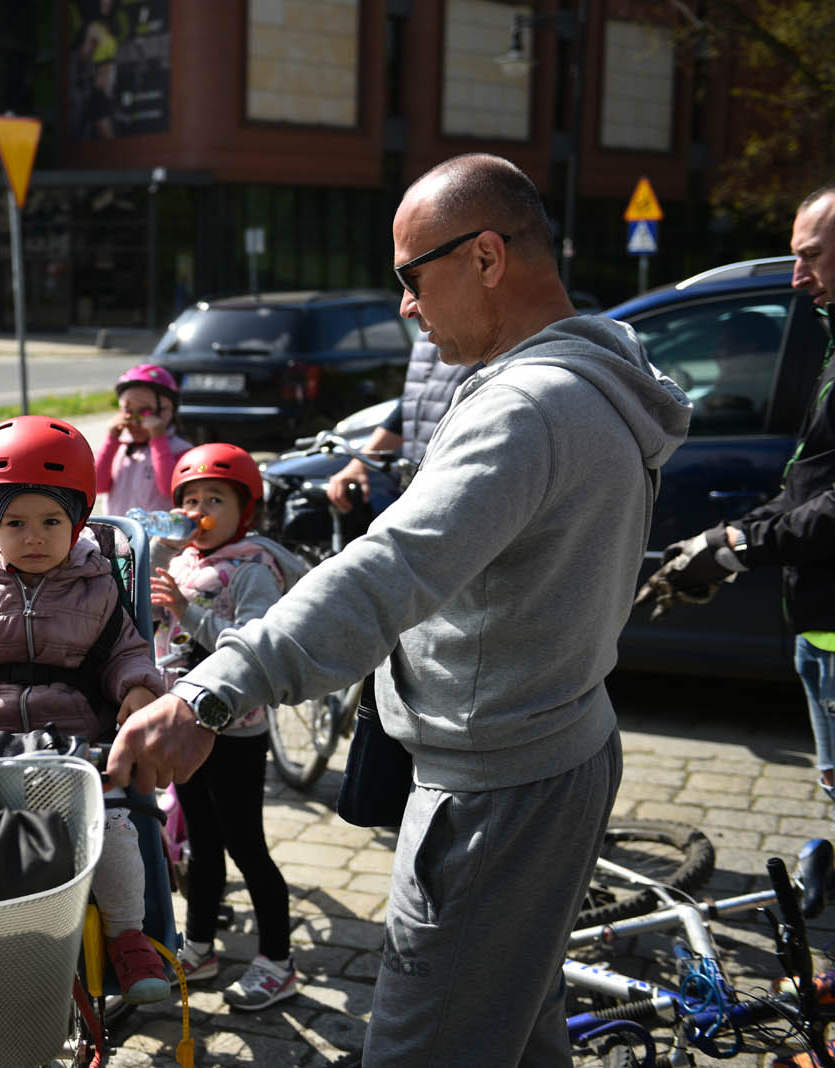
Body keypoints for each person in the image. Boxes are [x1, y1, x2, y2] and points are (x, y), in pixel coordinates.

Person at [107, 154, 692, 1065]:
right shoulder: (597, 373)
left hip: (495, 789)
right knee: (518, 1025)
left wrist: (213, 691)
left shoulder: (528, 408)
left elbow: (390, 569)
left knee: (422, 1044)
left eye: (413, 278)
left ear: (487, 257)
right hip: (562, 746)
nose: (409, 307)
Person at [0, 415, 171, 1005]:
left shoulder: (96, 586)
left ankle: (129, 936)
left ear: (76, 522)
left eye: (52, 521)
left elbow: (127, 652)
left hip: (74, 743)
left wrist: (136, 689)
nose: (34, 537)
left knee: (117, 830)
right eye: (15, 523)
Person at [640, 182, 835, 806]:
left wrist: (739, 546)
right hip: (819, 632)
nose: (798, 277)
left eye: (812, 256)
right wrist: (720, 543)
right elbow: (811, 481)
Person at [149, 443, 305, 1011]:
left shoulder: (254, 567)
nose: (199, 509)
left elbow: (252, 645)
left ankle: (277, 961)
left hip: (235, 729)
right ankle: (199, 946)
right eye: (190, 499)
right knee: (202, 841)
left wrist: (188, 612)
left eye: (215, 498)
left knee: (245, 844)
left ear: (248, 511)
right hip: (184, 722)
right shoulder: (184, 559)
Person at [326, 334, 479, 511]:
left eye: (421, 303)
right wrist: (361, 462)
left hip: (455, 489)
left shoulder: (480, 337)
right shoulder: (425, 337)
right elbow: (409, 405)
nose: (406, 309)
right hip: (418, 485)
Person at [95, 363, 193, 517]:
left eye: (144, 412)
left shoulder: (180, 450)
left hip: (155, 539)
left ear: (167, 412)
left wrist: (158, 438)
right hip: (119, 536)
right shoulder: (121, 447)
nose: (134, 422)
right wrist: (111, 440)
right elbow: (97, 486)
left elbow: (169, 489)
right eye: (128, 411)